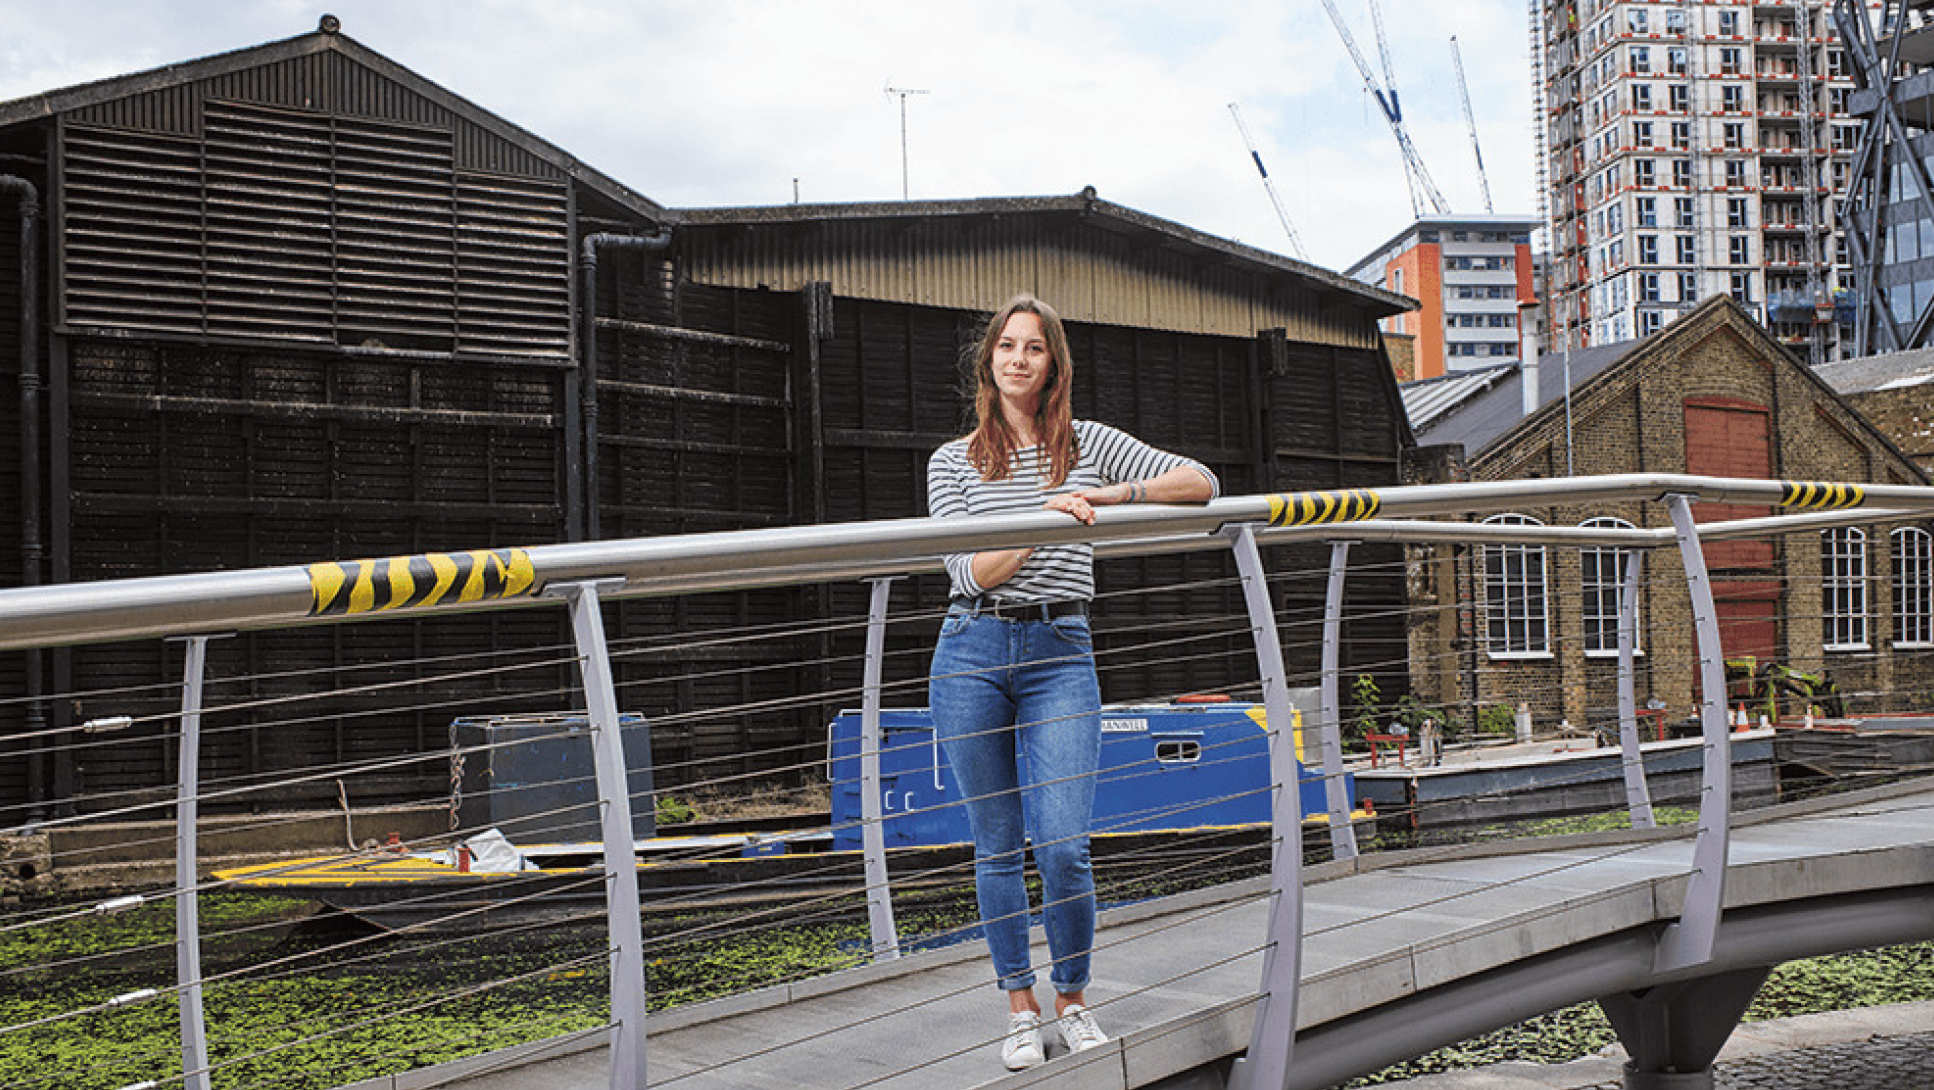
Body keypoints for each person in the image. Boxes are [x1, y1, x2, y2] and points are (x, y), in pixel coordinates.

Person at [925, 293, 1218, 1069]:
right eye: (1006, 347)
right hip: (971, 651)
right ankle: (1019, 1006)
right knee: (996, 846)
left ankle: (1074, 997)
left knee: (1063, 846)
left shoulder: (1086, 444)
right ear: (988, 362)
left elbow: (1201, 483)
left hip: (1061, 648)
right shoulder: (953, 461)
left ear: (1054, 362)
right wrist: (1044, 518)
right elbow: (969, 570)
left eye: (1034, 348)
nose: (1018, 359)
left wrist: (1108, 495)